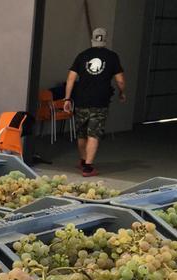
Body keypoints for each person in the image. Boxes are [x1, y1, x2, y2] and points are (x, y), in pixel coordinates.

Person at [63, 27, 126, 177]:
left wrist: (67, 98)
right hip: (100, 101)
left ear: (92, 38)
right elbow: (120, 80)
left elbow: (71, 79)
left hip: (81, 100)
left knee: (81, 134)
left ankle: (83, 161)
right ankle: (88, 168)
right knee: (94, 134)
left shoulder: (82, 56)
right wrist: (122, 93)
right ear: (105, 39)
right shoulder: (112, 57)